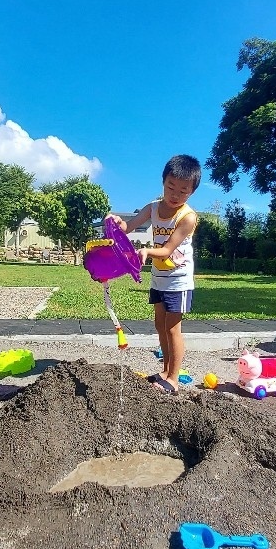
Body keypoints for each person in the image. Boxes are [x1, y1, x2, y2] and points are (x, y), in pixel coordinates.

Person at [107, 154, 201, 393]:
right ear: (163, 182)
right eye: (171, 187)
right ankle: (165, 369)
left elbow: (168, 250)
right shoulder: (153, 208)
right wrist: (118, 222)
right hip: (159, 277)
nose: (175, 194)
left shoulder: (187, 218)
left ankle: (173, 378)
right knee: (160, 325)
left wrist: (147, 251)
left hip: (178, 280)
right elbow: (128, 227)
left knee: (172, 329)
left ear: (191, 192)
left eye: (183, 191)